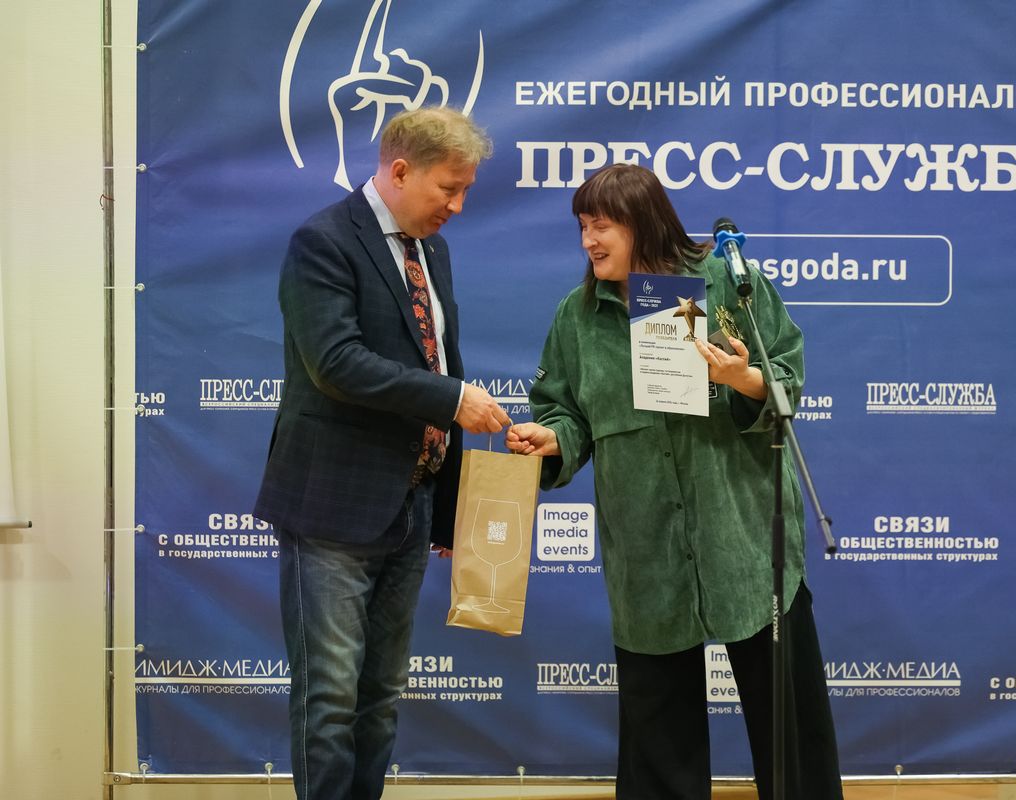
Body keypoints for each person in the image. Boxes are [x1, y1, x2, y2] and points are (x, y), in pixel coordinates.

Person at [506, 163, 843, 800]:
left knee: (790, 731)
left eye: (602, 226)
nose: (589, 241)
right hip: (647, 550)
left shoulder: (729, 285)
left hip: (745, 541)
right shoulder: (577, 316)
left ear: (643, 223)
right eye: (582, 227)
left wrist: (742, 378)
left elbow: (787, 378)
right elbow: (564, 411)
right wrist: (554, 439)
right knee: (658, 742)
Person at [254, 106, 511, 800]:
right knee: (331, 700)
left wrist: (449, 506)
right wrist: (453, 399)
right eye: (449, 189)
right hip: (332, 508)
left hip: (411, 505)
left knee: (380, 699)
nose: (458, 206)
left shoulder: (433, 251)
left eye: (465, 191)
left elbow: (439, 358)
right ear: (400, 171)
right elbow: (336, 363)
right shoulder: (323, 242)